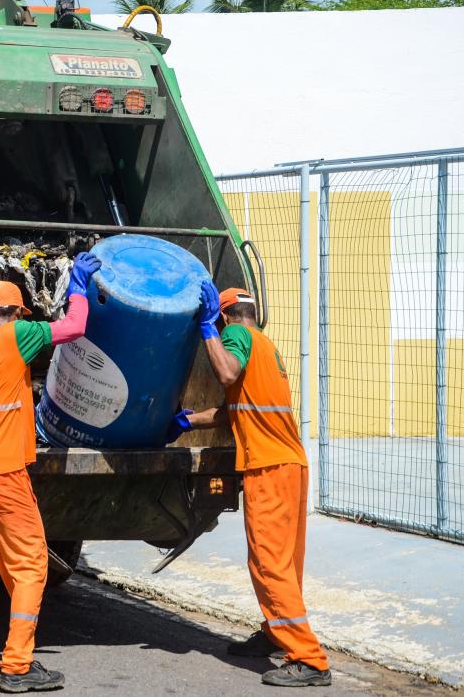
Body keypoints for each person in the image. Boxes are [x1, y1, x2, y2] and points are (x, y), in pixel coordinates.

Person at [0, 253, 100, 694]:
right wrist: (79, 288)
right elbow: (73, 329)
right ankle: (17, 665)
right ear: (16, 313)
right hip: (2, 468)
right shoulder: (16, 335)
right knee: (31, 564)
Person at [174, 283, 332, 688]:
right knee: (286, 562)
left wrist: (208, 329)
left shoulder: (236, 335)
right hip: (290, 465)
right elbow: (236, 410)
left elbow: (226, 370)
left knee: (268, 564)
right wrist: (187, 421)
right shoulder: (265, 346)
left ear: (226, 316)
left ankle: (309, 659)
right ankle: (276, 633)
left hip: (268, 470)